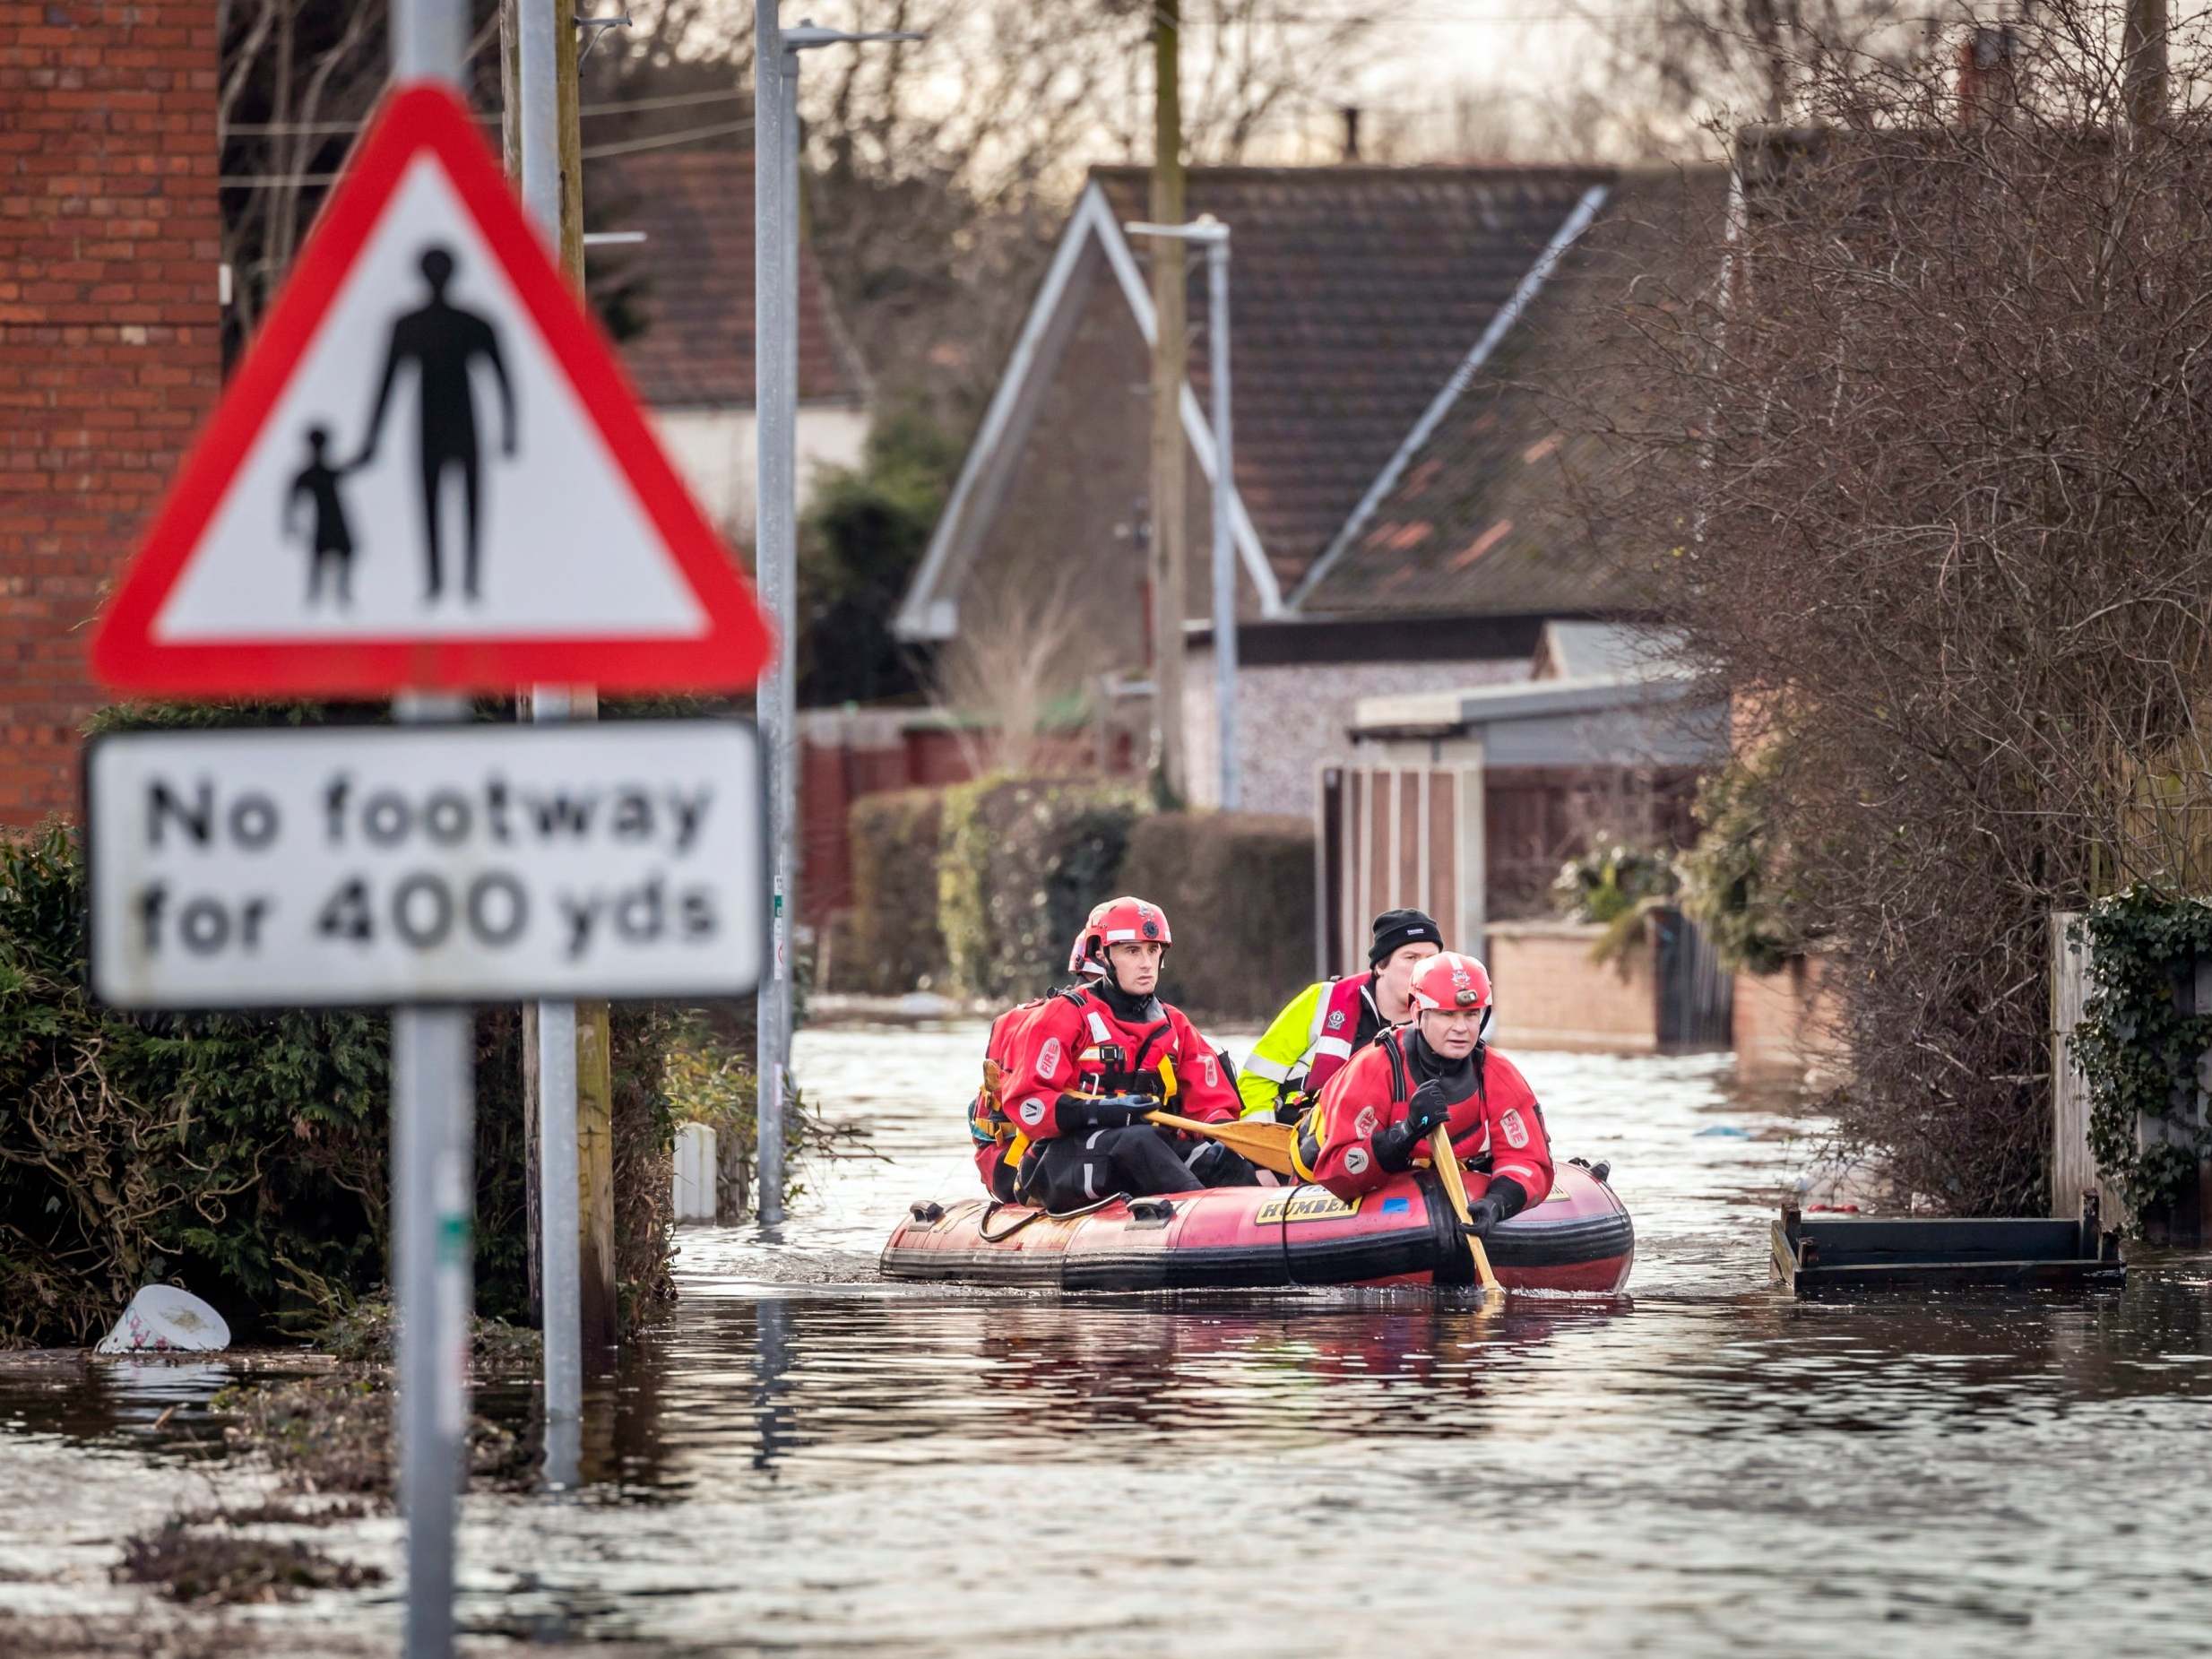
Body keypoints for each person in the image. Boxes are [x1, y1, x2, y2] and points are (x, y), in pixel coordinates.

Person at [1000, 895, 1249, 1209]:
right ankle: (1205, 1219)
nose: (1146, 963)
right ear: (1102, 956)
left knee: (1220, 1156)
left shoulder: (1175, 1024)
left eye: (1153, 950)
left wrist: (1220, 1134)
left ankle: (1260, 1222)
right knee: (1138, 1141)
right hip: (1057, 1159)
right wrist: (1104, 1111)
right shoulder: (1063, 1016)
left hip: (1149, 1150)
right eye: (1132, 951)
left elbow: (1214, 1105)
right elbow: (1030, 1107)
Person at [1294, 952, 1553, 1237]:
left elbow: (1529, 1160)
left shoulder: (1498, 1073)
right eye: (1447, 1015)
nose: (1461, 1028)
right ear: (1417, 1013)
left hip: (1442, 1186)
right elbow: (1339, 1172)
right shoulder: (1376, 1067)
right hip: (1326, 1180)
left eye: (1471, 1015)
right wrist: (1405, 1133)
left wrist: (1497, 1204)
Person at [1236, 908, 1444, 1121]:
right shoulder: (1323, 1000)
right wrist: (1264, 1141)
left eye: (1432, 959)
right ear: (1380, 966)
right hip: (1291, 1141)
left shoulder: (1447, 1022)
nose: (1423, 968)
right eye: (1411, 957)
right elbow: (1256, 1080)